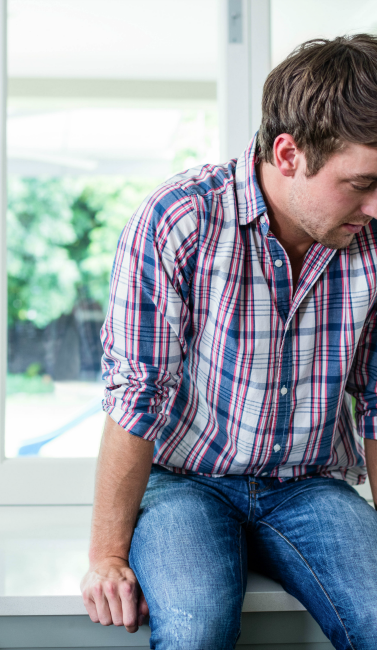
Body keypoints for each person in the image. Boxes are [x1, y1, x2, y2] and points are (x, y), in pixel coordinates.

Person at [81, 34, 377, 650]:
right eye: (361, 183)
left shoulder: (371, 241)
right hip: (186, 480)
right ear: (289, 153)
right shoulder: (178, 219)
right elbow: (137, 396)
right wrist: (106, 556)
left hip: (311, 481)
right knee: (196, 629)